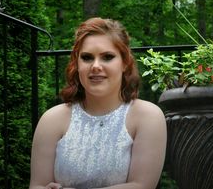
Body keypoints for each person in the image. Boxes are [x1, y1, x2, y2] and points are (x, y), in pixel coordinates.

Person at [29, 17, 167, 189]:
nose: (95, 66)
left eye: (107, 57)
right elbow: (37, 186)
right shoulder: (52, 119)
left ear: (125, 63)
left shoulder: (148, 117)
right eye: (87, 58)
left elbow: (141, 186)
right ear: (77, 64)